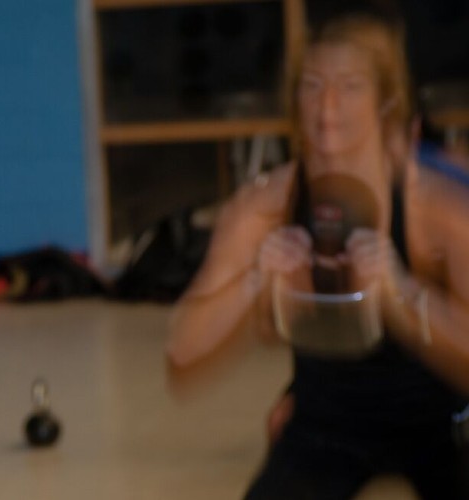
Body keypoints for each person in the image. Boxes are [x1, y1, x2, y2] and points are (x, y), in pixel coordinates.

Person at [166, 11, 469, 499]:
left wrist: (406, 297)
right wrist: (253, 287)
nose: (328, 107)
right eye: (312, 86)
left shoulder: (435, 213)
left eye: (349, 86)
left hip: (443, 422)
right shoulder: (265, 210)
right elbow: (182, 357)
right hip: (327, 426)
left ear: (384, 104)